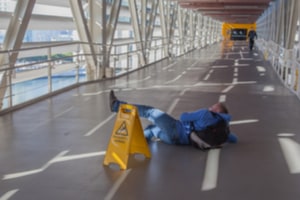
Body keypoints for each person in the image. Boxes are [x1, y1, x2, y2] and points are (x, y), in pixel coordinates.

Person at [109, 90, 237, 150]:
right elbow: (233, 139)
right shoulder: (222, 127)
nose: (211, 107)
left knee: (150, 112)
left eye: (213, 106)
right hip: (178, 141)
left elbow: (183, 117)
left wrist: (190, 114)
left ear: (217, 111)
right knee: (153, 129)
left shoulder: (205, 114)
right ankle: (139, 143)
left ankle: (117, 106)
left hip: (176, 129)